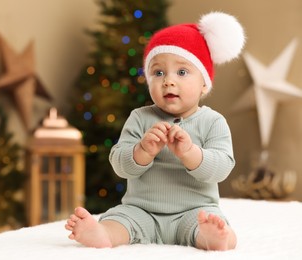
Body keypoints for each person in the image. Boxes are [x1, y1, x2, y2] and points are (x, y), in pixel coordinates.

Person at [65, 11, 245, 251]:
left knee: (210, 224)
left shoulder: (213, 121)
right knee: (120, 218)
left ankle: (216, 237)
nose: (168, 81)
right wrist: (142, 151)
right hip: (142, 210)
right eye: (158, 72)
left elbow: (221, 168)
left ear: (204, 83)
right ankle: (102, 233)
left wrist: (190, 152)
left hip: (193, 211)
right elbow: (120, 164)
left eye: (182, 72)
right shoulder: (140, 118)